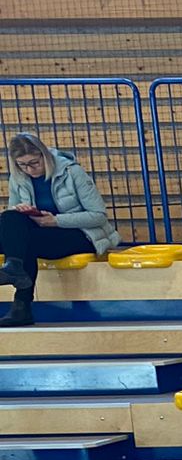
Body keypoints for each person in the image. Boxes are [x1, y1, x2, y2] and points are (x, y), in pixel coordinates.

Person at [3, 132, 120, 327]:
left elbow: (99, 215)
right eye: (22, 165)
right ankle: (14, 269)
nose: (29, 169)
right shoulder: (18, 178)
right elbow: (13, 218)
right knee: (9, 218)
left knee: (24, 244)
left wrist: (55, 221)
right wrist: (23, 210)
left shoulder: (72, 172)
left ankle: (21, 305)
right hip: (44, 231)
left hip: (81, 234)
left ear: (44, 155)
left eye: (34, 163)